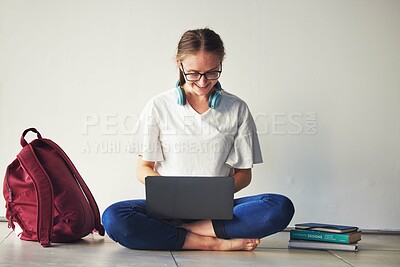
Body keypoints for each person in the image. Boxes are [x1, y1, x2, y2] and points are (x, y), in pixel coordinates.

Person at [102, 28, 295, 251]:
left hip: (218, 211)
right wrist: (171, 194)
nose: (203, 82)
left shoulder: (237, 108)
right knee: (114, 218)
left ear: (221, 64)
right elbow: (143, 168)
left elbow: (244, 174)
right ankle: (208, 242)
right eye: (194, 73)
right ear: (180, 65)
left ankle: (196, 229)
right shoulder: (158, 106)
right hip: (167, 210)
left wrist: (212, 195)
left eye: (212, 72)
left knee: (279, 207)